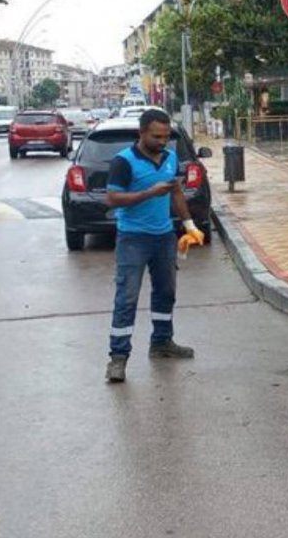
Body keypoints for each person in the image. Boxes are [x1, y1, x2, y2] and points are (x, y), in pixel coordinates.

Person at [103, 109, 205, 383]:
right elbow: (112, 199)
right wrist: (149, 193)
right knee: (127, 298)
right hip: (133, 239)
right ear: (142, 133)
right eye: (156, 136)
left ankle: (162, 343)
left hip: (164, 238)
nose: (162, 141)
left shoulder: (170, 157)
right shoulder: (123, 162)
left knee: (166, 292)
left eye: (165, 136)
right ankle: (118, 358)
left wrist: (189, 225)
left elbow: (175, 192)